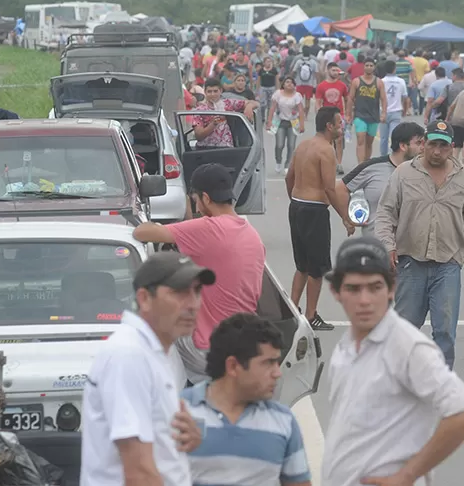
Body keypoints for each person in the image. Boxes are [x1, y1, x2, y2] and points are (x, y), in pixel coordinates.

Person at [321, 237, 464, 486]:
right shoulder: (346, 346)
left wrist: (407, 475)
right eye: (353, 288)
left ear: (391, 288)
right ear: (336, 292)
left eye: (375, 288)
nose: (365, 300)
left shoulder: (407, 346)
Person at [80, 252, 209, 486]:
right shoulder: (130, 355)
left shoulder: (154, 351)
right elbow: (139, 472)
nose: (192, 304)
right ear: (145, 299)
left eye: (196, 291)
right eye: (179, 292)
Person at [133, 163, 266, 384]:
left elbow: (142, 232)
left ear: (205, 198)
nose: (195, 205)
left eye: (194, 200)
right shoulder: (251, 234)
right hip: (244, 345)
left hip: (207, 350)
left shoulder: (207, 228)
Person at [374, 120, 464, 369]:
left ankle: (440, 384)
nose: (437, 151)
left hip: (448, 263)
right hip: (410, 262)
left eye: (443, 146)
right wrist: (387, 245)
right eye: (432, 144)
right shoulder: (404, 173)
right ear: (423, 144)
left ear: (452, 148)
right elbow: (385, 213)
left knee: (445, 331)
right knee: (405, 328)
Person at [181, 314, 311, 486]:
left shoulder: (284, 421)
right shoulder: (178, 412)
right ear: (233, 366)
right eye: (268, 363)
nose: (277, 373)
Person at [286, 106, 352, 331]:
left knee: (301, 265)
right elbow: (329, 188)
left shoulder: (303, 145)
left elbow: (289, 177)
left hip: (297, 206)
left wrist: (294, 199)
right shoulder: (326, 150)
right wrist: (345, 217)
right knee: (317, 269)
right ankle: (311, 315)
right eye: (339, 123)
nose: (341, 127)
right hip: (314, 211)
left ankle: (292, 310)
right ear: (329, 126)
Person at [337, 122, 426, 237]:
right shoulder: (372, 167)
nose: (423, 147)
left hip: (408, 248)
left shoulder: (423, 171)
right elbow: (340, 188)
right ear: (403, 146)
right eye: (419, 143)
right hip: (376, 245)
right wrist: (347, 218)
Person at [192, 78, 258, 148]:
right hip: (206, 148)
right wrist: (213, 124)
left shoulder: (227, 103)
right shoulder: (199, 110)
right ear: (205, 92)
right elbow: (198, 135)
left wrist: (249, 107)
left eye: (215, 91)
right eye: (209, 92)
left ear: (220, 91)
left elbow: (255, 103)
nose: (212, 94)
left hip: (226, 147)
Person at [347, 59, 387, 163]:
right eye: (367, 65)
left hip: (373, 116)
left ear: (374, 67)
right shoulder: (356, 81)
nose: (369, 67)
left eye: (371, 65)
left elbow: (383, 99)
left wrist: (383, 113)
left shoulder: (379, 82)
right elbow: (350, 98)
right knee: (360, 139)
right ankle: (360, 165)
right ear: (363, 67)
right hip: (359, 115)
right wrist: (348, 114)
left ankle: (366, 163)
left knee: (369, 142)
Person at [315, 62, 351, 174]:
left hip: (339, 116)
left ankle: (339, 164)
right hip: (327, 116)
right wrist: (319, 114)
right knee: (328, 140)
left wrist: (348, 114)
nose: (336, 73)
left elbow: (347, 99)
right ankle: (328, 162)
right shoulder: (322, 86)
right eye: (333, 70)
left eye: (337, 71)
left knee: (339, 140)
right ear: (328, 71)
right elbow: (318, 102)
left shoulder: (342, 85)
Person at [267, 76, 306, 173]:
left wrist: (302, 124)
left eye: (291, 82)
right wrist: (269, 121)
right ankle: (278, 161)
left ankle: (288, 164)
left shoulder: (297, 96)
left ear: (294, 85)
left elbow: (301, 110)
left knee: (291, 145)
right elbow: (272, 108)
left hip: (293, 122)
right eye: (287, 82)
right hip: (280, 121)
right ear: (283, 84)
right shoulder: (278, 94)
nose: (289, 84)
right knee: (279, 145)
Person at [380, 60, 411, 156]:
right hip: (396, 111)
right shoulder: (401, 81)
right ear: (394, 69)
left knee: (383, 137)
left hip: (383, 112)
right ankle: (391, 156)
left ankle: (383, 156)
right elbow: (405, 98)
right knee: (393, 136)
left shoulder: (381, 81)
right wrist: (405, 110)